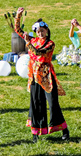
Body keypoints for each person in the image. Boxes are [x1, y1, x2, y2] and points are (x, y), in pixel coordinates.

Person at [14, 8, 69, 141]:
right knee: (35, 103)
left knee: (53, 103)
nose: (40, 33)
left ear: (47, 31)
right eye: (38, 31)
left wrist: (27, 42)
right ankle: (36, 133)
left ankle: (64, 130)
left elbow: (39, 53)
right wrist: (18, 15)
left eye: (43, 31)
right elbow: (18, 30)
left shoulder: (50, 43)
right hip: (34, 77)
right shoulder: (32, 40)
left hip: (47, 77)